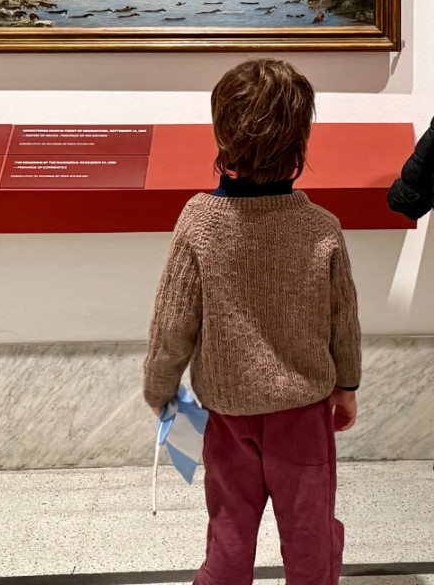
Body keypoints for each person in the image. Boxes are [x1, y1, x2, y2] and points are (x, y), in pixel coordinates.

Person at [143, 59, 362, 585]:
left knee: (229, 531)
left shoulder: (199, 221)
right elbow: (344, 319)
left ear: (221, 133)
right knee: (309, 536)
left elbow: (173, 322)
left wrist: (160, 389)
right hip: (303, 415)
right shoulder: (321, 227)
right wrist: (347, 385)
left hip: (226, 414)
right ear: (301, 142)